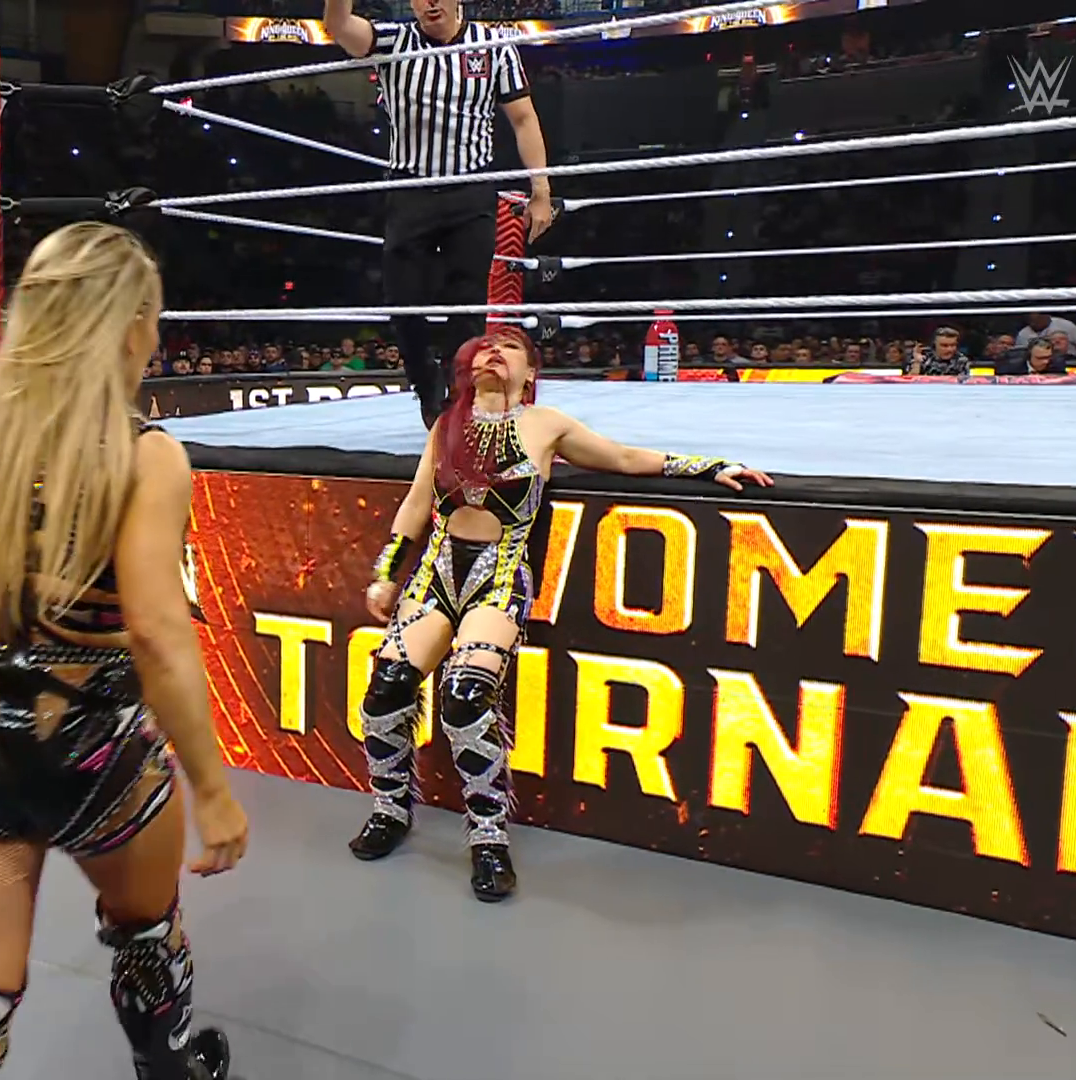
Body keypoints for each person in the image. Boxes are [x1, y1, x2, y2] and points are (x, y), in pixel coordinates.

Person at [0, 222, 248, 1080]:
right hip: (98, 755)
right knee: (147, 936)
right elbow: (157, 633)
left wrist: (3, 613)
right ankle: (171, 1071)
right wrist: (213, 791)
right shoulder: (145, 454)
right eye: (153, 317)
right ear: (129, 325)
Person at [353, 328, 773, 900]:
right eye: (484, 346)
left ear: (531, 371)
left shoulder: (545, 425)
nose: (492, 352)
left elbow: (623, 458)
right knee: (387, 687)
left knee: (466, 696)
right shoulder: (447, 425)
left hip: (499, 576)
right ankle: (390, 808)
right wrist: (385, 571)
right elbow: (415, 503)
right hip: (436, 572)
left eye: (509, 347)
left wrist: (706, 467)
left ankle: (488, 839)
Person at [323, 0, 557, 428]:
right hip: (410, 189)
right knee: (401, 300)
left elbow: (524, 119)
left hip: (471, 189)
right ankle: (425, 383)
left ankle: (459, 400)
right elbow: (338, 25)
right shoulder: (393, 41)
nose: (430, 3)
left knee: (467, 302)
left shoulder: (494, 46)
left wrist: (540, 190)